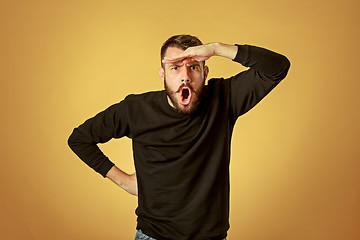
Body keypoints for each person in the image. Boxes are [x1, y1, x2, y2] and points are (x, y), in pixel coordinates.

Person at [68, 34, 290, 240]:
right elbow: (79, 139)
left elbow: (278, 67)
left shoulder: (225, 98)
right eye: (175, 68)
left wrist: (216, 49)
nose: (185, 77)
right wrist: (124, 181)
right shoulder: (135, 109)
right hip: (153, 235)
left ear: (205, 73)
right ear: (162, 74)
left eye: (193, 67)